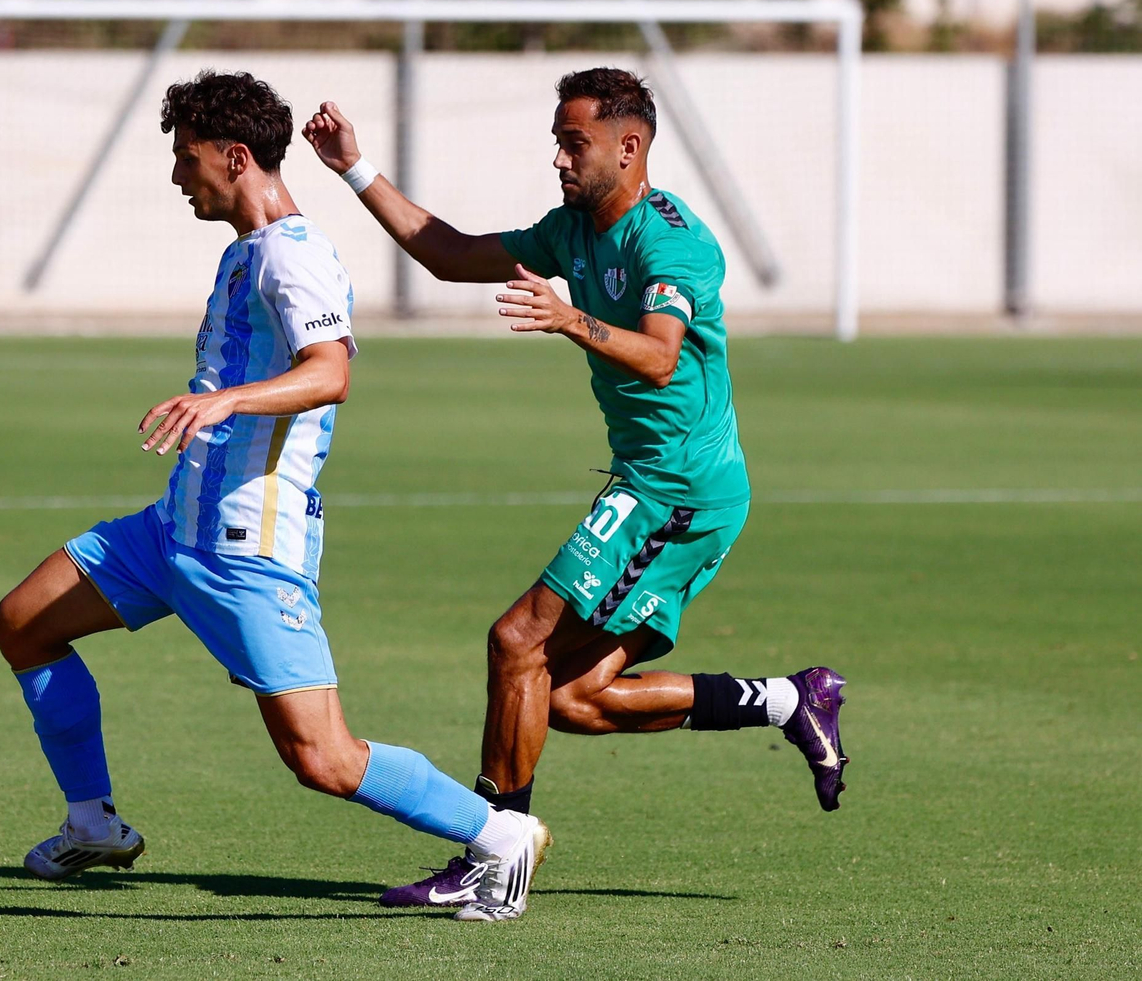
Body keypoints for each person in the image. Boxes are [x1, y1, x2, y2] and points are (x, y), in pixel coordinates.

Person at [0, 69, 548, 923]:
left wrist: (223, 400)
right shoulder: (243, 249)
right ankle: (93, 822)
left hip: (247, 548)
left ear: (235, 156)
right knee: (23, 622)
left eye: (188, 157)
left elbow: (330, 374)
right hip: (172, 532)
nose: (180, 175)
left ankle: (500, 837)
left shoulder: (294, 252)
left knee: (322, 758)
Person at [303, 67, 849, 914]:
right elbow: (451, 255)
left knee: (517, 640)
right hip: (653, 482)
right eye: (558, 140)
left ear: (629, 148)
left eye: (574, 142)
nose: (559, 158)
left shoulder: (671, 242)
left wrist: (571, 320)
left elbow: (661, 353)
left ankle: (495, 857)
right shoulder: (573, 230)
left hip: (678, 489)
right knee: (567, 697)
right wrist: (354, 168)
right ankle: (788, 699)